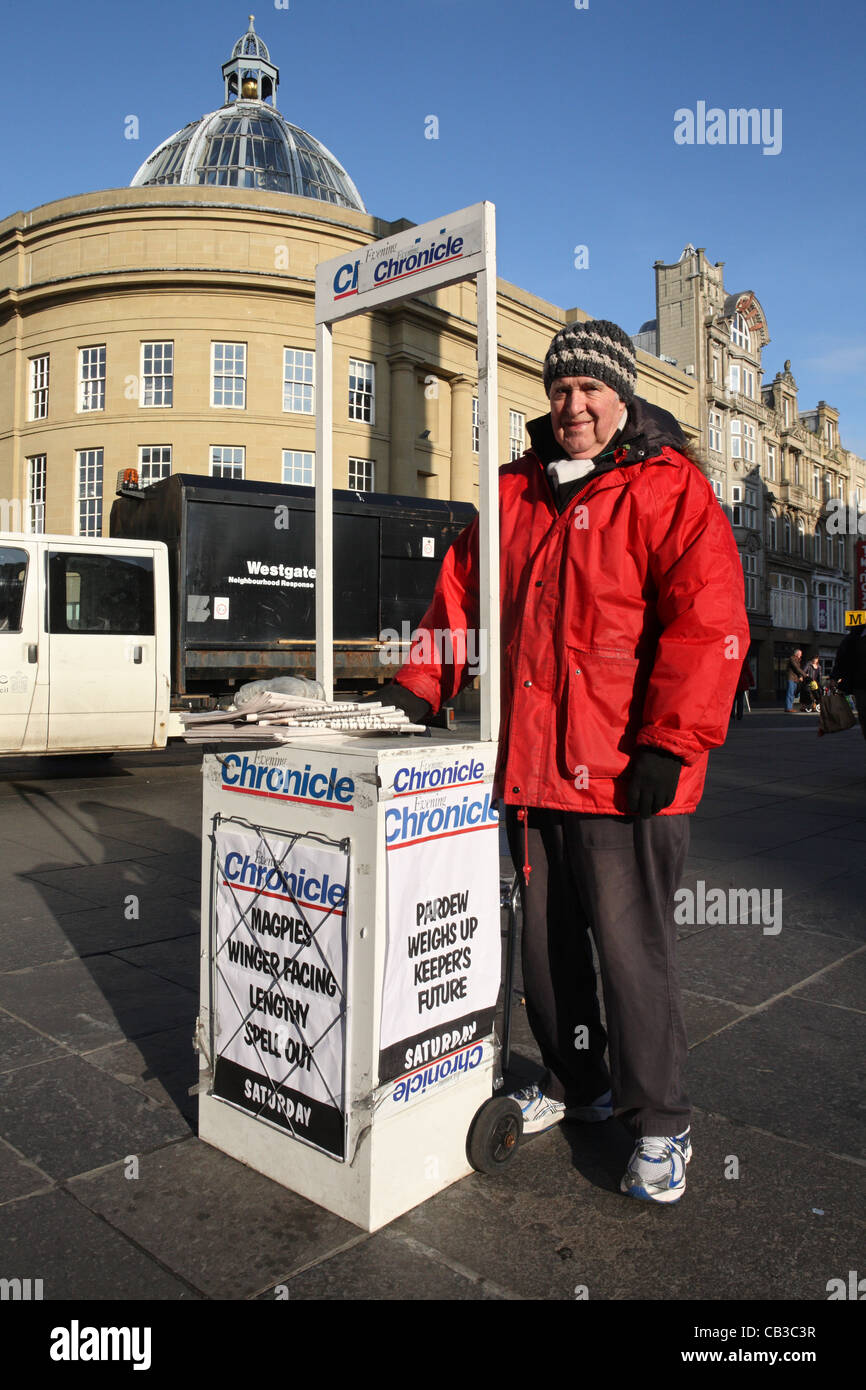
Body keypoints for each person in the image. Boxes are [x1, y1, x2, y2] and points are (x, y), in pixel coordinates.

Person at [379, 319, 749, 1204]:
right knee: (544, 951)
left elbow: (708, 620)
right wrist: (422, 682)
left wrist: (671, 739)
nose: (574, 405)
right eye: (560, 390)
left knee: (631, 952)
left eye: (590, 389)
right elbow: (464, 590)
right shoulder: (514, 493)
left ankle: (661, 1125)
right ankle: (583, 1086)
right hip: (535, 768)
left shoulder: (668, 489)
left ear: (620, 397)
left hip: (628, 772)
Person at [832, 626, 866, 740]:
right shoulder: (856, 635)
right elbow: (842, 657)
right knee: (863, 715)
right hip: (861, 683)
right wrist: (835, 676)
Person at [732, 654, 755, 720]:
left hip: (734, 682)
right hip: (742, 683)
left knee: (733, 700)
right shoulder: (744, 660)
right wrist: (752, 681)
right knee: (740, 700)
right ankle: (739, 715)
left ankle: (732, 714)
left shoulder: (733, 660)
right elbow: (748, 672)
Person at [786, 648, 806, 712]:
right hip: (791, 678)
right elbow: (796, 668)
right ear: (797, 654)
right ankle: (788, 708)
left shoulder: (797, 660)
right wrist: (805, 675)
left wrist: (800, 676)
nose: (801, 655)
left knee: (793, 693)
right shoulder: (792, 659)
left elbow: (797, 670)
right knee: (790, 693)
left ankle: (790, 707)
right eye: (800, 654)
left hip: (795, 679)